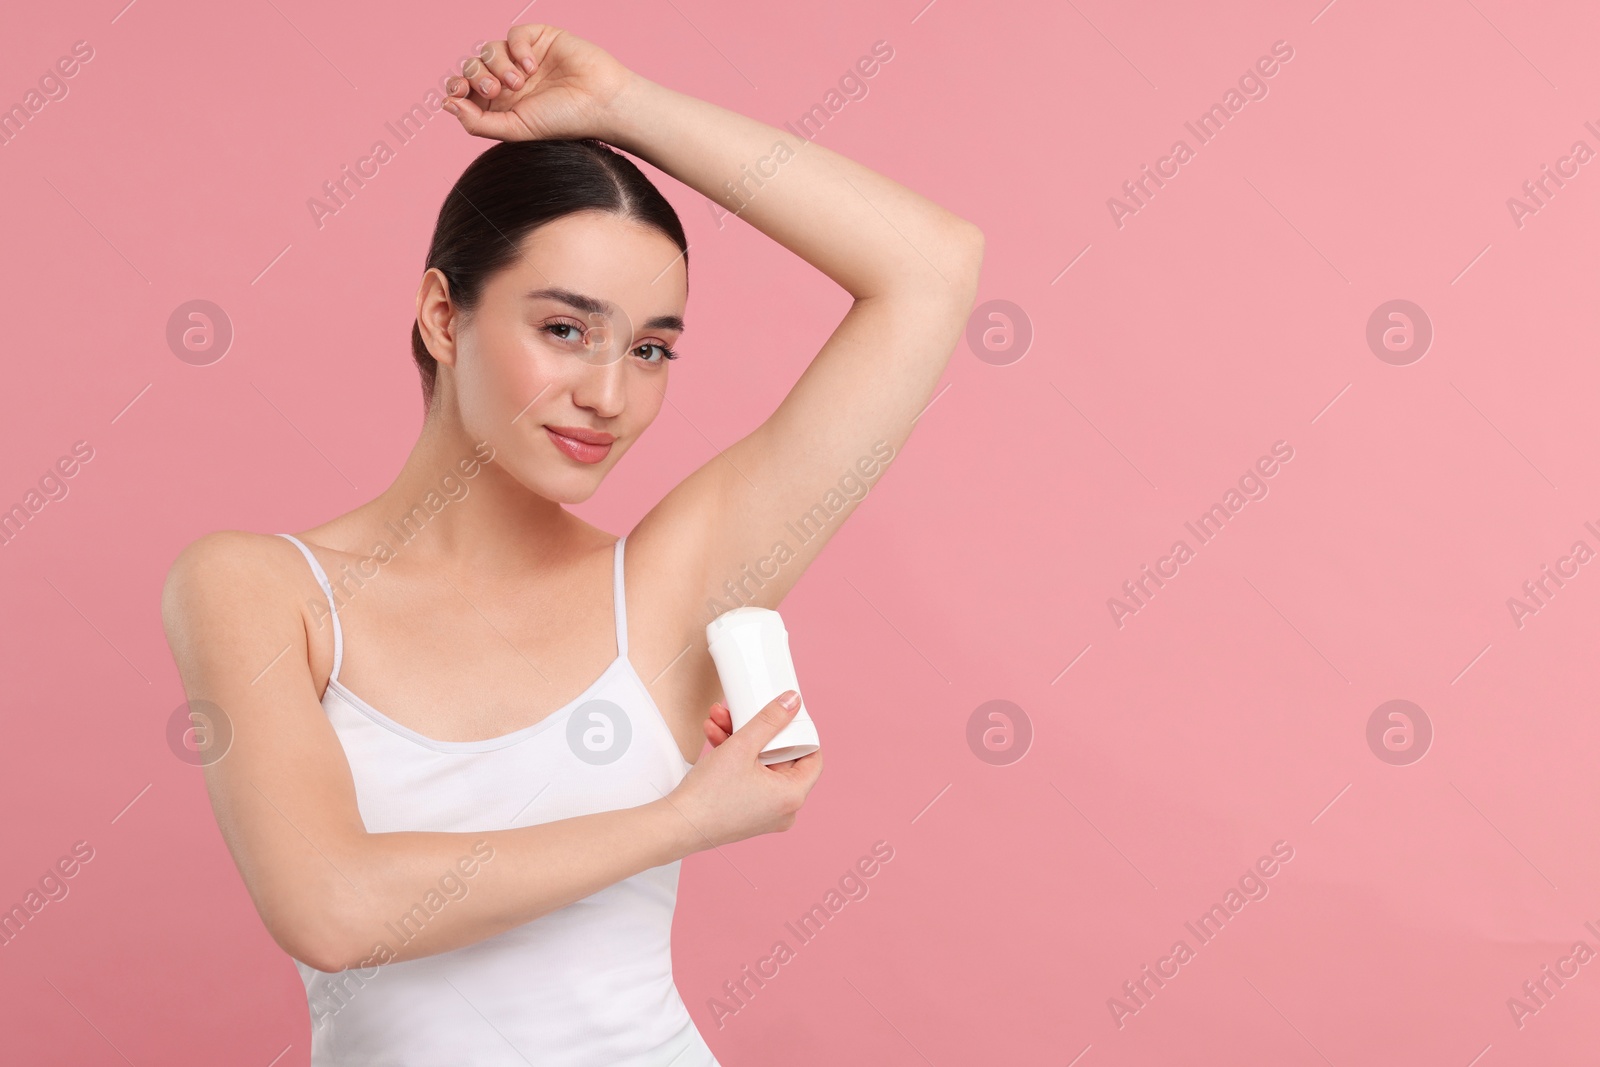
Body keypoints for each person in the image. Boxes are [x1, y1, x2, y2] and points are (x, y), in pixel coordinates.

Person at [160, 21, 983, 1066]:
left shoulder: (663, 589)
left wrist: (622, 107)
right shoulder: (257, 586)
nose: (608, 393)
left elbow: (931, 267)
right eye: (564, 328)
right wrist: (686, 817)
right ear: (441, 314)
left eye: (649, 349)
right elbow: (333, 905)